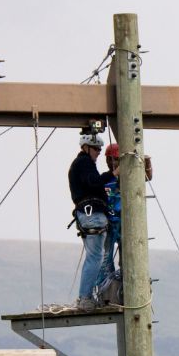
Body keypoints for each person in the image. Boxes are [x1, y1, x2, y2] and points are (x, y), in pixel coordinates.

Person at [97, 142, 153, 305]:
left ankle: (126, 290)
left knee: (128, 258)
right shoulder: (105, 178)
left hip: (125, 225)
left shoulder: (130, 178)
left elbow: (147, 177)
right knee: (105, 259)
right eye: (110, 159)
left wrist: (147, 162)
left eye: (114, 159)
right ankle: (105, 292)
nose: (111, 163)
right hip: (109, 224)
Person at [66, 128, 112, 311]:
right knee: (95, 258)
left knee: (95, 257)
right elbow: (94, 182)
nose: (98, 153)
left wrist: (110, 174)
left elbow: (95, 181)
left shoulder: (81, 163)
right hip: (92, 215)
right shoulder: (84, 163)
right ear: (86, 147)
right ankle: (85, 298)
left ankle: (89, 295)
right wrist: (114, 174)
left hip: (88, 215)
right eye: (96, 149)